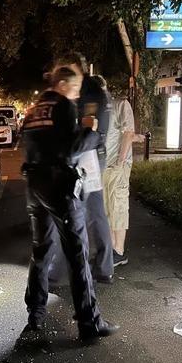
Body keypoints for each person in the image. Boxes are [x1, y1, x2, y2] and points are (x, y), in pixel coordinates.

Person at [21, 66, 119, 340]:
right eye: (75, 88)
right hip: (60, 186)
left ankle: (35, 313)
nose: (76, 95)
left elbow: (33, 146)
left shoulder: (34, 109)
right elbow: (69, 149)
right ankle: (89, 322)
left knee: (41, 250)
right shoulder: (62, 106)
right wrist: (91, 132)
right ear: (63, 84)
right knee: (77, 253)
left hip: (34, 185)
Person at [49, 52, 115, 284]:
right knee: (84, 212)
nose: (63, 76)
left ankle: (94, 268)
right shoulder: (82, 89)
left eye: (66, 69)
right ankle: (96, 267)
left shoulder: (90, 92)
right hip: (81, 154)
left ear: (80, 68)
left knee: (86, 211)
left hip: (89, 158)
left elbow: (92, 130)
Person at [94, 76, 143, 266]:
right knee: (106, 208)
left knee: (118, 206)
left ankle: (119, 251)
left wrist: (121, 161)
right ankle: (111, 248)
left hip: (116, 166)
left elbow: (128, 133)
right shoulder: (98, 111)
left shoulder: (120, 104)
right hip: (103, 167)